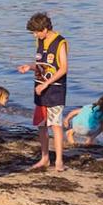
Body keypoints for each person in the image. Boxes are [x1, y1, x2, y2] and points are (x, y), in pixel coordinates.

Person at [17, 13, 68, 171]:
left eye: (36, 32)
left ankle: (59, 161)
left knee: (55, 124)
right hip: (39, 89)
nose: (34, 35)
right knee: (41, 124)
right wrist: (30, 67)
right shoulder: (39, 40)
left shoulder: (60, 42)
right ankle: (44, 157)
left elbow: (63, 68)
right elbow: (42, 64)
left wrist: (46, 84)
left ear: (45, 29)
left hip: (55, 90)